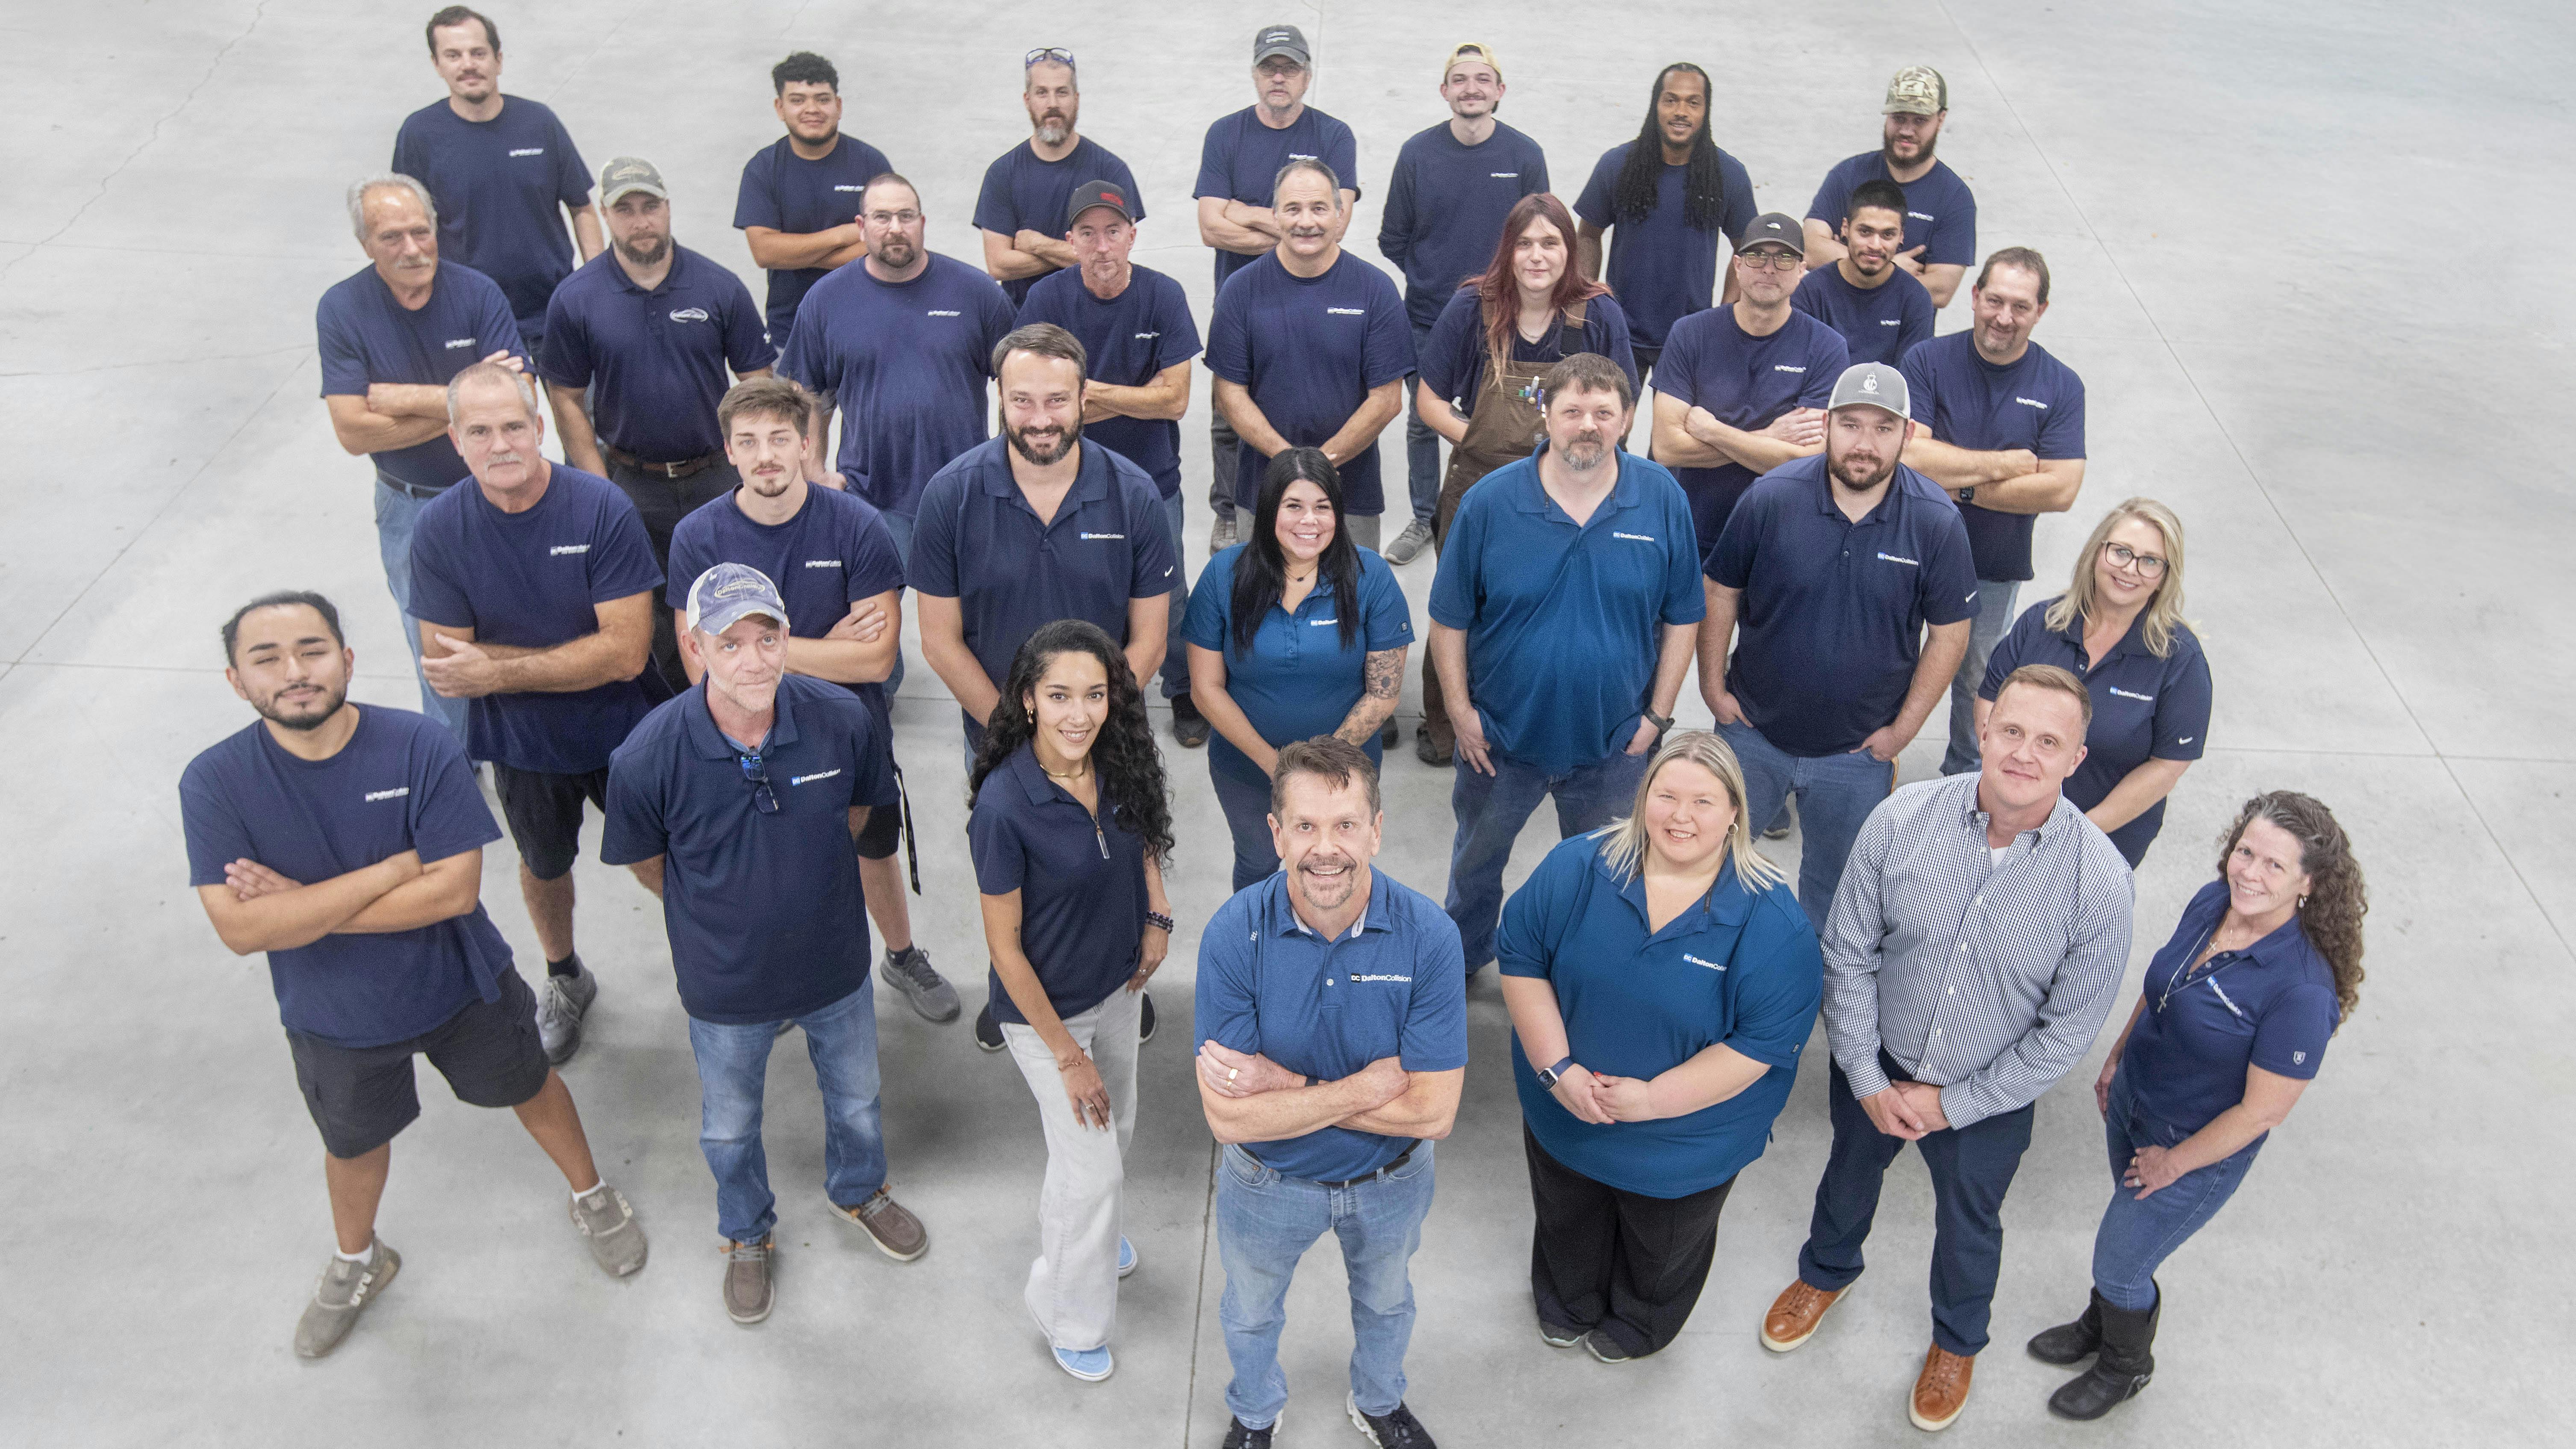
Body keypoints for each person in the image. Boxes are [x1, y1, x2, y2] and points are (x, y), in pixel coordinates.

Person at [181, 591, 647, 1360]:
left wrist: (301, 906)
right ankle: (358, 1259)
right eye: (267, 659)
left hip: (463, 984)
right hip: (332, 1013)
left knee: (532, 1085)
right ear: (237, 680)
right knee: (353, 1142)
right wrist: (392, 869)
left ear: (348, 660)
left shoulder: (418, 744)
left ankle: (592, 1194)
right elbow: (240, 927)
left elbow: (453, 891)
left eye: (312, 648)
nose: (295, 672)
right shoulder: (215, 782)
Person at [1760, 664, 2134, 1435]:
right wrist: (1866, 1074)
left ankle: (1955, 1341)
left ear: (2076, 757)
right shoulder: (1901, 819)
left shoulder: (2099, 882)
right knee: (1849, 1169)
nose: (2024, 753)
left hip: (1987, 1094)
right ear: (1985, 728)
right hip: (1878, 1063)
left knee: (1970, 1221)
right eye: (2012, 731)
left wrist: (1953, 1102)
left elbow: (2064, 1031)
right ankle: (1824, 1272)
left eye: (2048, 741)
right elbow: (1849, 951)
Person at [601, 565, 926, 1325]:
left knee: (856, 1099)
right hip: (725, 986)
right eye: (731, 641)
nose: (754, 659)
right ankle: (746, 1230)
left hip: (833, 965)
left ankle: (860, 1189)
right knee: (729, 1123)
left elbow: (855, 814)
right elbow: (651, 863)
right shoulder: (648, 755)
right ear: (693, 646)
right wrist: (719, 910)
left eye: (768, 636)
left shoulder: (842, 718)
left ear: (788, 637)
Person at [2030, 791, 2364, 1421]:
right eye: (2245, 852)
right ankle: (2102, 1321)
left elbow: (2262, 1113)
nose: (2248, 873)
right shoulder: (2216, 901)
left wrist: (2173, 1163)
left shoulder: (2300, 989)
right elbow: (2165, 984)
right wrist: (2116, 1058)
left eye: (2273, 865)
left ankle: (2125, 1366)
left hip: (2191, 1146)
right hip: (2135, 1101)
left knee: (2121, 1261)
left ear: (2308, 884)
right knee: (2125, 1249)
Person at [1497, 730, 1821, 1363]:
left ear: (1734, 813)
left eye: (1703, 801)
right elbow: (1521, 958)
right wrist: (1557, 1070)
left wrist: (1653, 1100)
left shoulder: (1771, 922)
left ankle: (1640, 1323)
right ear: (1643, 797)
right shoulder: (1578, 866)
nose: (1680, 816)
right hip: (1566, 1109)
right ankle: (1567, 1301)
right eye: (1666, 795)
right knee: (1566, 1216)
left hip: (1683, 1145)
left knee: (1660, 1247)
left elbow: (1759, 1046)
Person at [1195, 738, 1466, 1449]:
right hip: (1266, 1180)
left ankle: (1379, 1401)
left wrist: (1287, 1084)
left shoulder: (1429, 935)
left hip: (1391, 1178)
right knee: (1250, 1312)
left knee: (1386, 1302)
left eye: (1345, 824)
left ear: (1376, 828)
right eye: (1306, 826)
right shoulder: (1234, 933)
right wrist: (1371, 1085)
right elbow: (1227, 1113)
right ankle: (1255, 1412)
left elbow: (1435, 1110)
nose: (1326, 848)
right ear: (1276, 833)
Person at [911, 324, 1175, 1051]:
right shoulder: (952, 495)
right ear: (998, 397)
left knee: (1112, 864)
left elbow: (1149, 638)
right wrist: (1022, 731)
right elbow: (940, 639)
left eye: (1057, 399)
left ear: (1085, 397)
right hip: (996, 737)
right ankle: (1013, 996)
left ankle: (1118, 986)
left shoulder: (1133, 494)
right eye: (1021, 399)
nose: (1039, 417)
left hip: (1107, 732)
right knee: (1011, 875)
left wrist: (1088, 720)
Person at [668, 378, 958, 1024]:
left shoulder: (857, 525)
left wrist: (750, 653)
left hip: (850, 731)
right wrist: (820, 646)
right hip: (744, 740)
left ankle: (901, 952)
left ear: (806, 443)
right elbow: (696, 669)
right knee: (768, 863)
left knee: (872, 845)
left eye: (778, 438)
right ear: (729, 451)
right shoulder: (698, 536)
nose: (765, 455)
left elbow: (877, 659)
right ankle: (782, 977)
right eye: (748, 442)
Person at [407, 361, 662, 1065]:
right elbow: (444, 661)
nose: (501, 443)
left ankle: (715, 965)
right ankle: (564, 976)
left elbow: (627, 654)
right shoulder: (438, 530)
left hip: (626, 735)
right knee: (542, 865)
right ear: (456, 441)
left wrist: (499, 667)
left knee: (661, 862)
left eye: (515, 425)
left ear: (540, 428)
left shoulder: (599, 508)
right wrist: (559, 657)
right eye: (481, 430)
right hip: (519, 744)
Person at [1429, 353, 1703, 976]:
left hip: (1612, 747)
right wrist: (1459, 712)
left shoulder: (1660, 499)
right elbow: (1448, 618)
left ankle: (1586, 971)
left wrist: (1656, 718)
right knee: (1476, 863)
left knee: (1606, 877)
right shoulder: (1489, 502)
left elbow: (1683, 615)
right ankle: (1463, 961)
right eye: (1573, 410)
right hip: (1499, 742)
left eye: (1603, 412)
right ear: (1545, 415)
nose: (1588, 425)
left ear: (1627, 419)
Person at [968, 620, 1176, 1382]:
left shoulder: (1116, 761)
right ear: (1027, 701)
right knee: (1092, 1173)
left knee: (1115, 1127)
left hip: (1118, 983)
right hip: (1045, 1016)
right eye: (1059, 695)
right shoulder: (1003, 806)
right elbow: (1005, 949)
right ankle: (1066, 1311)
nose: (1078, 713)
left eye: (1094, 694)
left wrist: (1155, 913)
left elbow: (1145, 833)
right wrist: (1068, 1053)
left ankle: (1093, 1230)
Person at [1699, 363, 1976, 915]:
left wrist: (1902, 730)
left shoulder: (1935, 522)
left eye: (1881, 428)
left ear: (1908, 434)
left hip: (1856, 754)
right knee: (1714, 866)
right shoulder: (1770, 498)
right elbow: (1719, 589)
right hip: (1752, 735)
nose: (1864, 444)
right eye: (1850, 425)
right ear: (1825, 425)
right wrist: (1712, 689)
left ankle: (1809, 986)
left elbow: (1949, 635)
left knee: (1834, 888)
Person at [539, 157, 776, 702]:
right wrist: (597, 485)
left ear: (668, 208)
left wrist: (751, 459)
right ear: (605, 215)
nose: (640, 220)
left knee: (731, 601)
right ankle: (673, 718)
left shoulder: (717, 286)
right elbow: (566, 398)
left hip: (716, 477)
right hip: (631, 482)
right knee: (644, 614)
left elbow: (757, 383)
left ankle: (742, 703)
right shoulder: (577, 298)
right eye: (626, 210)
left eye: (650, 207)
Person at [1414, 192, 1638, 763]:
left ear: (1570, 251)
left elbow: (1627, 407)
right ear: (1507, 251)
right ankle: (1445, 722)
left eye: (1550, 243)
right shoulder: (1473, 308)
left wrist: (1574, 457)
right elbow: (1430, 401)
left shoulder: (1599, 314)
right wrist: (1483, 440)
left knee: (1553, 609)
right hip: (1478, 488)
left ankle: (1540, 717)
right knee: (1462, 610)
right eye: (1525, 244)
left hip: (1574, 491)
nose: (1537, 256)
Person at [318, 174, 526, 742]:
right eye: (392, 238)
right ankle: (452, 764)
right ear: (366, 245)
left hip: (500, 499)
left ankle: (518, 755)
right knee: (434, 649)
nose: (412, 249)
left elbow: (518, 400)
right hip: (408, 508)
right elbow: (355, 433)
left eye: (420, 232)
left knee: (517, 630)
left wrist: (403, 397)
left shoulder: (479, 293)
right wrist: (467, 404)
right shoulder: (341, 308)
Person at [1017, 181, 1206, 746]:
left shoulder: (1163, 296)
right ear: (1070, 240)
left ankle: (1182, 690)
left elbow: (1174, 400)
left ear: (1132, 236)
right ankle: (1085, 692)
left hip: (1153, 482)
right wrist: (1128, 396)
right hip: (1070, 484)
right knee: (1083, 594)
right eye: (1088, 234)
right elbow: (1035, 410)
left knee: (1168, 593)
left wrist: (1087, 393)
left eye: (1113, 232)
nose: (1102, 246)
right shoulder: (1046, 301)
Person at [1184, 450, 1412, 891]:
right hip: (1246, 769)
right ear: (1270, 509)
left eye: (1322, 507)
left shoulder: (1371, 577)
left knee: (1338, 868)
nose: (1309, 521)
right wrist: (1278, 769)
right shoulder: (1222, 576)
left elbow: (1383, 693)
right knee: (1256, 862)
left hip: (1344, 773)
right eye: (1294, 506)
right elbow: (1205, 688)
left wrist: (1319, 767)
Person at [1899, 247, 2089, 777]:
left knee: (1978, 678)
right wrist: (2004, 465)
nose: (2004, 317)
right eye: (1996, 301)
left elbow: (2059, 489)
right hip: (1903, 549)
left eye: (2020, 307)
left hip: (1993, 564)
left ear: (2040, 310)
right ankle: (1866, 763)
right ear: (1975, 296)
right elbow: (1909, 456)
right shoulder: (1926, 361)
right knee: (1881, 664)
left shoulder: (2060, 385)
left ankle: (1962, 776)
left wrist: (1955, 481)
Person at [776, 173, 1017, 550]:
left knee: (971, 611)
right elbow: (805, 393)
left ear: (922, 224)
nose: (895, 229)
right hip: (870, 500)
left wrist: (1010, 466)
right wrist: (814, 472)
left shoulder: (978, 294)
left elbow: (1018, 382)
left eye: (906, 217)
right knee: (875, 610)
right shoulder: (826, 300)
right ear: (861, 227)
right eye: (882, 217)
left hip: (966, 494)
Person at [1378, 42, 1550, 565]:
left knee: (1502, 414)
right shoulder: (1417, 153)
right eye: (1459, 79)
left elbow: (1542, 234)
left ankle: (1495, 507)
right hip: (1428, 318)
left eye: (1482, 80)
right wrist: (1432, 279)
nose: (1470, 88)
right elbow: (1393, 238)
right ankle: (1424, 516)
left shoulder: (1524, 156)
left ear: (1499, 92)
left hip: (1506, 317)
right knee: (1421, 419)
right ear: (1444, 91)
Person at [1193, 23, 1359, 552]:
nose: (1279, 77)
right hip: (1243, 302)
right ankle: (1228, 510)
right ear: (1255, 74)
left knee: (1315, 402)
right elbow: (1209, 226)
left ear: (1307, 76)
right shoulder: (1226, 133)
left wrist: (1247, 212)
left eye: (1289, 68)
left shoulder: (1334, 135)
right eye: (1269, 67)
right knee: (1229, 413)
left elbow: (1336, 227)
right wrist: (1289, 230)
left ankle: (1320, 500)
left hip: (1322, 298)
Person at [1978, 500, 2209, 868]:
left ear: (2166, 575)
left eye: (2150, 561)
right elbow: (1990, 700)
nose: (2131, 569)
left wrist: (2077, 833)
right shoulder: (2041, 623)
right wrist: (2005, 790)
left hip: (2101, 839)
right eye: (2121, 552)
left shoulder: (2181, 659)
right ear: (2098, 551)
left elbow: (2168, 766)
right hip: (2006, 819)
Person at [1208, 158, 1411, 553]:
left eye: (1319, 208)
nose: (1307, 222)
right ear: (1275, 215)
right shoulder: (1240, 291)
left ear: (1339, 214)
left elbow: (1387, 400)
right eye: (1293, 209)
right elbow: (1230, 394)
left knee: (1352, 605)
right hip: (1263, 492)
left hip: (1352, 496)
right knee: (1263, 604)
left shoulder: (1376, 290)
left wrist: (1320, 465)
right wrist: (1290, 466)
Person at [393, 6, 600, 357]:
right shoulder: (420, 135)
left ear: (498, 60)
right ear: (437, 65)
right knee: (501, 414)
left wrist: (597, 285)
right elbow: (406, 230)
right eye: (453, 56)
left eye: (478, 53)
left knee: (589, 412)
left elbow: (582, 207)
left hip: (557, 311)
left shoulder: (539, 123)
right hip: (473, 317)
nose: (468, 65)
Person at [1649, 212, 1851, 558]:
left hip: (1781, 535)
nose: (1769, 268)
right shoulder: (1690, 333)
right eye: (1758, 256)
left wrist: (1712, 431)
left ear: (1803, 270)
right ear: (1738, 266)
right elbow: (1668, 448)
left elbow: (1806, 459)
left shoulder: (1827, 347)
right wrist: (1768, 438)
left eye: (1785, 258)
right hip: (1690, 531)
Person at [1572, 62, 1757, 384]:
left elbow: (1747, 250)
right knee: (1609, 431)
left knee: (1675, 436)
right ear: (1656, 106)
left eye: (1692, 102)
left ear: (1705, 111)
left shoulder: (1728, 174)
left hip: (1690, 338)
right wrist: (1585, 301)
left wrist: (1725, 316)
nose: (1680, 111)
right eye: (1671, 100)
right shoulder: (1617, 165)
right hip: (1619, 333)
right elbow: (1588, 235)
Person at [733, 50, 895, 345]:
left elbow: (884, 247)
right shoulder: (763, 169)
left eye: (822, 99)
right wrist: (843, 235)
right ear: (780, 108)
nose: (812, 109)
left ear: (839, 106)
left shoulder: (871, 164)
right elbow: (766, 253)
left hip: (866, 328)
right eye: (798, 100)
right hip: (792, 333)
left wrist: (796, 255)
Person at [976, 48, 1145, 307]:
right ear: (1027, 100)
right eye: (1042, 93)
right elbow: (999, 265)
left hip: (1100, 315)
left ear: (1076, 99)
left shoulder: (1111, 171)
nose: (1052, 103)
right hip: (1027, 324)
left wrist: (1037, 245)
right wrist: (1084, 255)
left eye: (1062, 92)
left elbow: (1117, 256)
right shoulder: (1002, 174)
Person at [1803, 66, 1975, 309]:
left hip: (1902, 337)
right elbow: (1809, 249)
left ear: (1941, 119)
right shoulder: (1849, 175)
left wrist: (1844, 258)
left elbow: (1941, 291)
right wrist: (1891, 266)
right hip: (1830, 327)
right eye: (1898, 118)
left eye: (1920, 120)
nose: (1906, 130)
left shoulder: (1954, 198)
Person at [1791, 177, 1936, 367]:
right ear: (1846, 229)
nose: (1875, 245)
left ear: (1901, 236)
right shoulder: (1809, 292)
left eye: (1888, 235)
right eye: (1865, 232)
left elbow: (1912, 381)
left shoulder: (1916, 300)